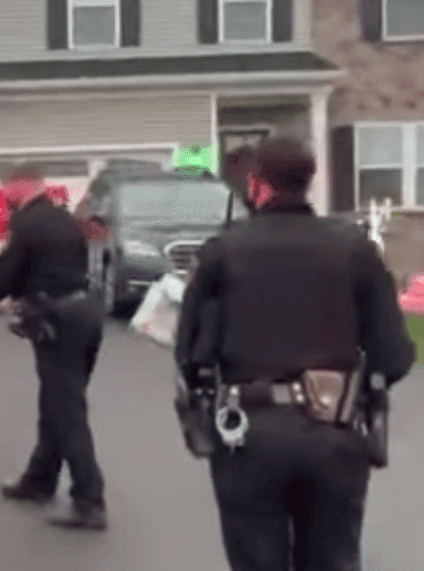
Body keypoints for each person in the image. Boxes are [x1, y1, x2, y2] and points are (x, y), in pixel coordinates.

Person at [174, 137, 416, 571]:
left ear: (258, 185)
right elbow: (394, 355)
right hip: (333, 431)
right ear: (309, 181)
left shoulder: (223, 252)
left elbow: (189, 355)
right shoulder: (354, 249)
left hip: (250, 434)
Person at [0, 164, 107, 530]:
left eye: (6, 187)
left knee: (66, 409)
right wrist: (16, 300)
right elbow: (47, 270)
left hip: (59, 323)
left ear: (21, 185)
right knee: (56, 401)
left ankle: (90, 501)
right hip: (84, 314)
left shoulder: (27, 223)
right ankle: (39, 480)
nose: (4, 195)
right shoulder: (65, 219)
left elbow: (6, 271)